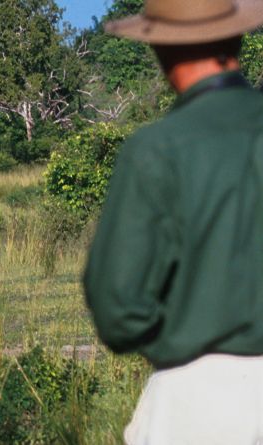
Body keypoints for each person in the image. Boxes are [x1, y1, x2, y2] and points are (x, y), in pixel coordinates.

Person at [83, 0, 263, 443]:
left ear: (159, 49)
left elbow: (117, 308)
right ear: (238, 36)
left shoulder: (156, 149)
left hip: (198, 400)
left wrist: (181, 340)